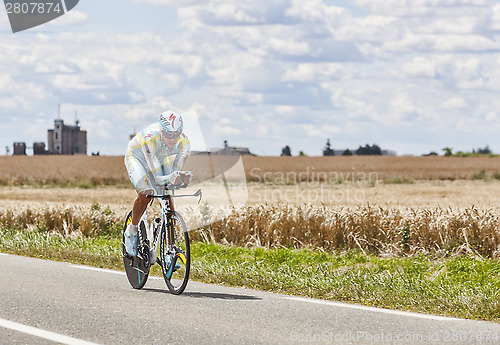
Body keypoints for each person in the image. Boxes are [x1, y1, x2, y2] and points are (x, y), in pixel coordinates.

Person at [124, 111, 192, 257]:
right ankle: (132, 230)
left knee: (168, 199)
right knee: (146, 193)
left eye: (176, 134)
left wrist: (181, 177)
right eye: (168, 134)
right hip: (138, 159)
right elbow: (158, 178)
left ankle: (169, 248)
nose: (173, 139)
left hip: (159, 159)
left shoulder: (185, 143)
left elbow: (174, 173)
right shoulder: (150, 138)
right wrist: (171, 178)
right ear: (161, 131)